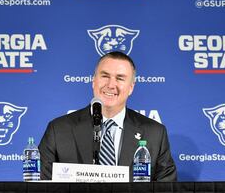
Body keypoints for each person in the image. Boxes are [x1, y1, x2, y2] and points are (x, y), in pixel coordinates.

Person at [39, 51, 177, 181]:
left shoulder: (155, 134)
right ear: (93, 81)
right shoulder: (59, 130)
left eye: (120, 78)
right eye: (105, 76)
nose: (111, 85)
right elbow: (39, 190)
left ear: (131, 87)